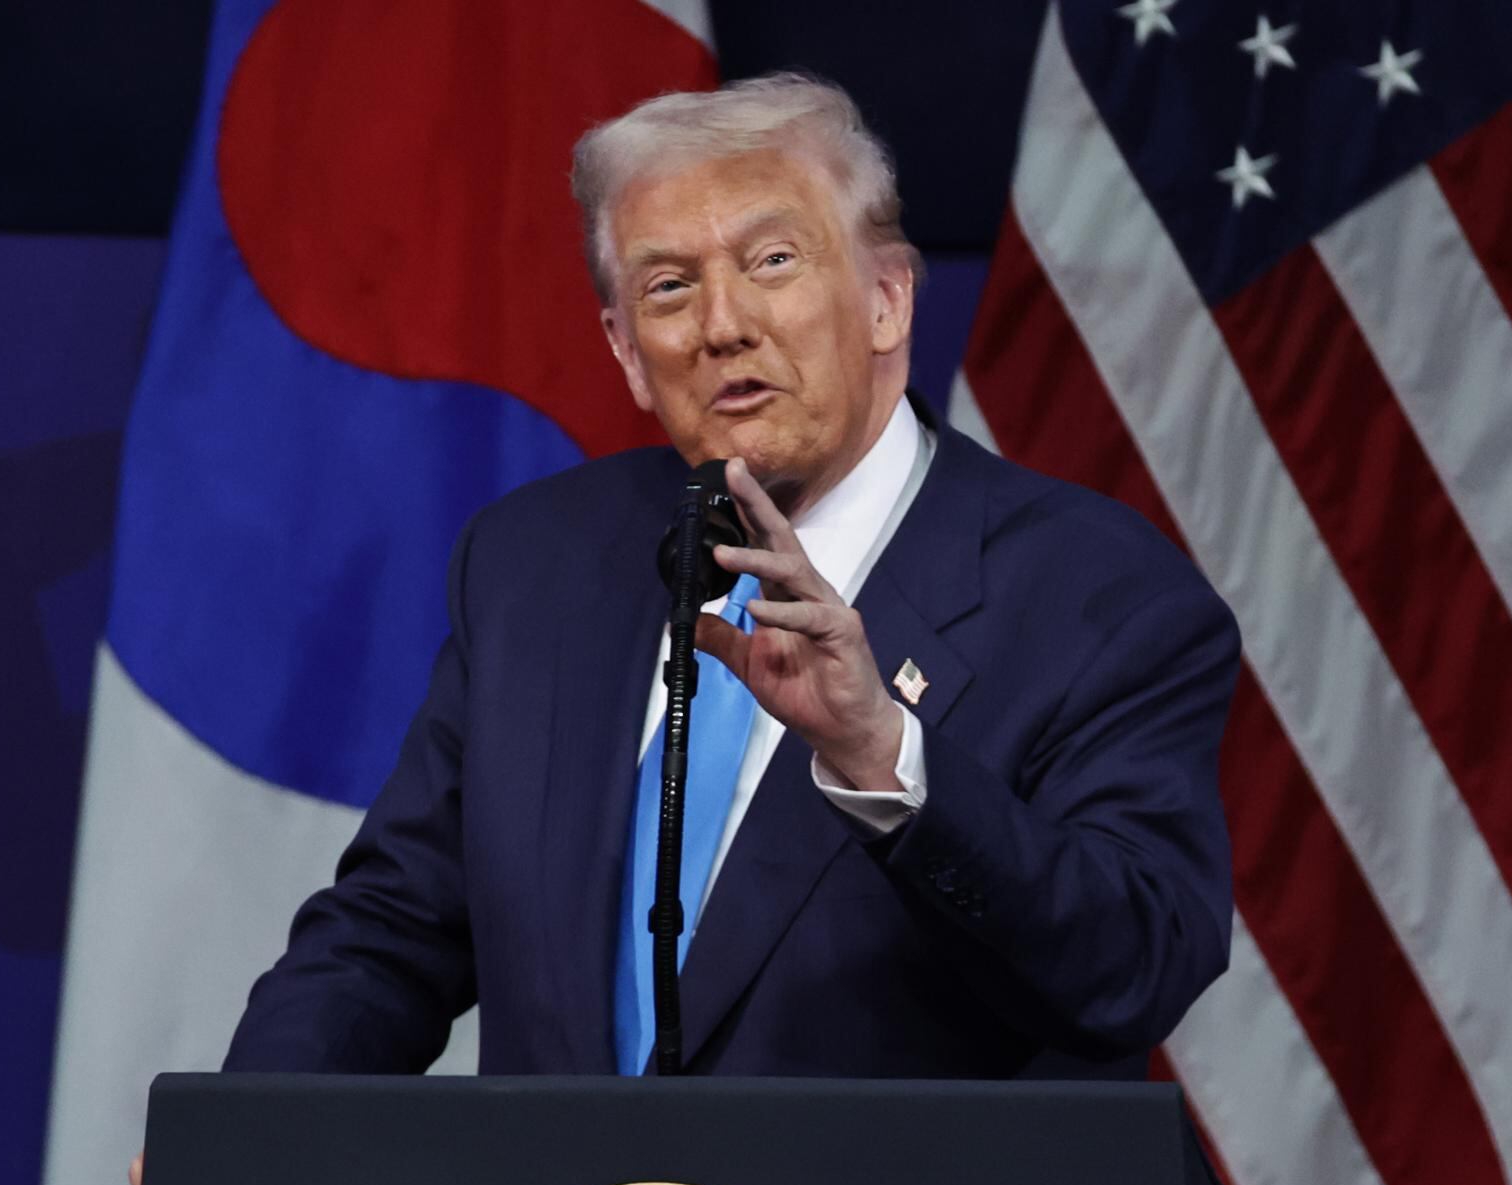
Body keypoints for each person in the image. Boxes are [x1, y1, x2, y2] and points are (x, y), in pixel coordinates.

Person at [218, 72, 1239, 1087]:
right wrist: (254, 1130)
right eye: (669, 287)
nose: (722, 324)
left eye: (773, 261)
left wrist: (881, 754)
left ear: (886, 300)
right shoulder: (536, 562)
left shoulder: (1100, 595)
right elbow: (396, 922)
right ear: (625, 350)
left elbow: (1134, 968)